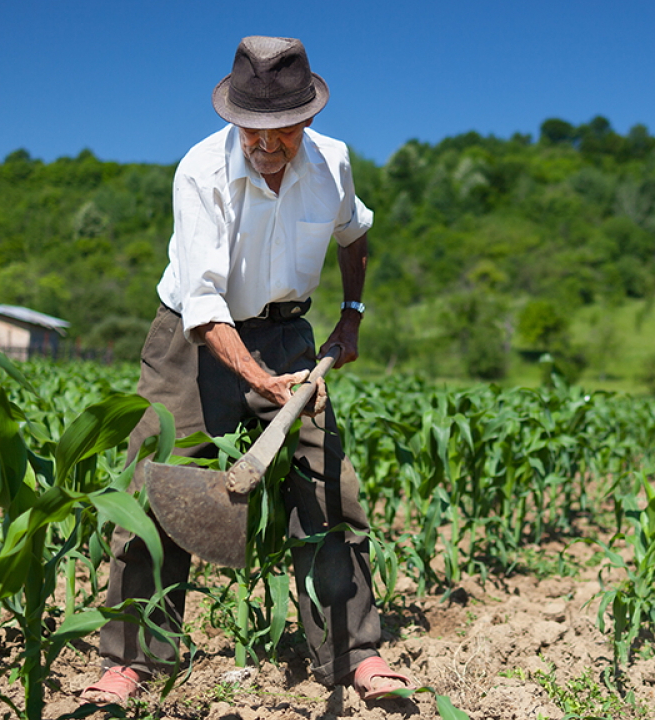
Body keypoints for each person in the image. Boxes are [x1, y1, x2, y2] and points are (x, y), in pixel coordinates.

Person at [80, 36, 409, 706]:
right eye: (249, 130)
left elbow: (354, 232)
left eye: (278, 131)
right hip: (191, 339)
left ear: (306, 119)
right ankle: (134, 656)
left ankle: (352, 652)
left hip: (289, 334)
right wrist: (259, 382)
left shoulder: (334, 165)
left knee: (327, 484)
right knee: (152, 481)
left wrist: (351, 312)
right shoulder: (201, 172)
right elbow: (203, 306)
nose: (262, 145)